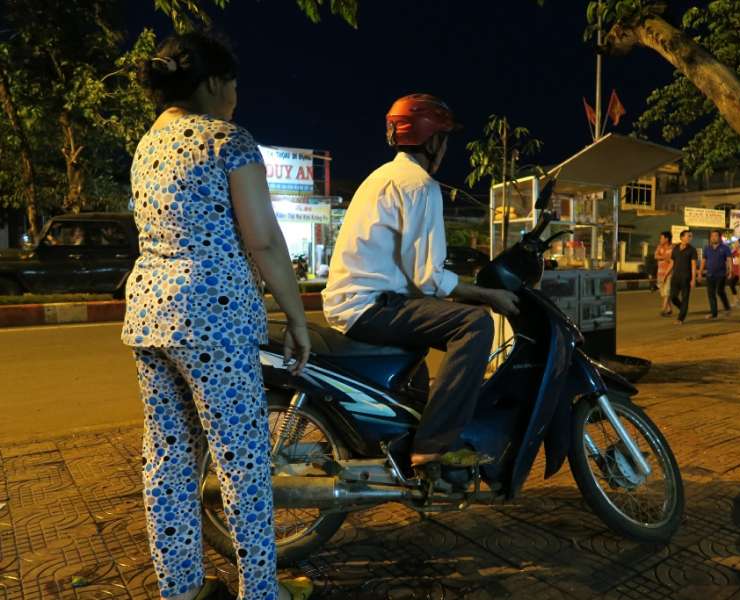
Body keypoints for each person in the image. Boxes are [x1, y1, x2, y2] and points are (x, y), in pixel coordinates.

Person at [121, 32, 312, 600]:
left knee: (169, 458)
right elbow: (264, 242)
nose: (235, 95)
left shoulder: (147, 145)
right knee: (241, 461)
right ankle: (261, 591)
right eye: (232, 83)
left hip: (150, 314)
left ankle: (179, 589)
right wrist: (297, 316)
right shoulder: (226, 140)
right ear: (212, 83)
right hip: (213, 316)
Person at [323, 94, 520, 472]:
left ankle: (408, 431)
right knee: (474, 323)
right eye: (444, 139)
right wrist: (487, 295)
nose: (445, 148)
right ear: (432, 140)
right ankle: (434, 444)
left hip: (355, 302)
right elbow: (428, 277)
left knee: (445, 320)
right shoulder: (420, 186)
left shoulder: (380, 177)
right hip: (371, 306)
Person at [700, 230, 732, 319]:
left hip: (721, 274)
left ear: (719, 237)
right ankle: (714, 313)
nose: (714, 237)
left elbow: (729, 259)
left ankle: (727, 307)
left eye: (716, 236)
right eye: (712, 236)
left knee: (720, 291)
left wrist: (730, 271)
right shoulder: (707, 248)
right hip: (710, 274)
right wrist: (700, 272)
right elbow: (704, 260)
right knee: (711, 294)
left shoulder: (725, 248)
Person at [669, 230, 697, 325]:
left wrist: (693, 279)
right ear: (682, 237)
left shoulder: (692, 250)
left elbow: (693, 265)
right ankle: (683, 308)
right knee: (673, 297)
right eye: (688, 236)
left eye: (691, 236)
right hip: (675, 277)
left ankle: (680, 318)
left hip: (686, 278)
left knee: (685, 298)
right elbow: (672, 263)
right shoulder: (675, 248)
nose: (690, 238)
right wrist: (666, 274)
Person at [653, 231, 674, 316]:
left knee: (667, 291)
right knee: (662, 293)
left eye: (661, 238)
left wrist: (662, 257)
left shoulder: (672, 248)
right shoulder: (659, 247)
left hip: (669, 272)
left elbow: (672, 260)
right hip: (660, 273)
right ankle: (669, 309)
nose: (660, 239)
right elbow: (655, 256)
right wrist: (665, 257)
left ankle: (663, 310)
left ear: (667, 239)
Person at [729, 240, 740, 307]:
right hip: (735, 272)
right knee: (731, 284)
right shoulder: (734, 252)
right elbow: (730, 258)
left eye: (736, 243)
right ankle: (735, 301)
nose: (735, 244)